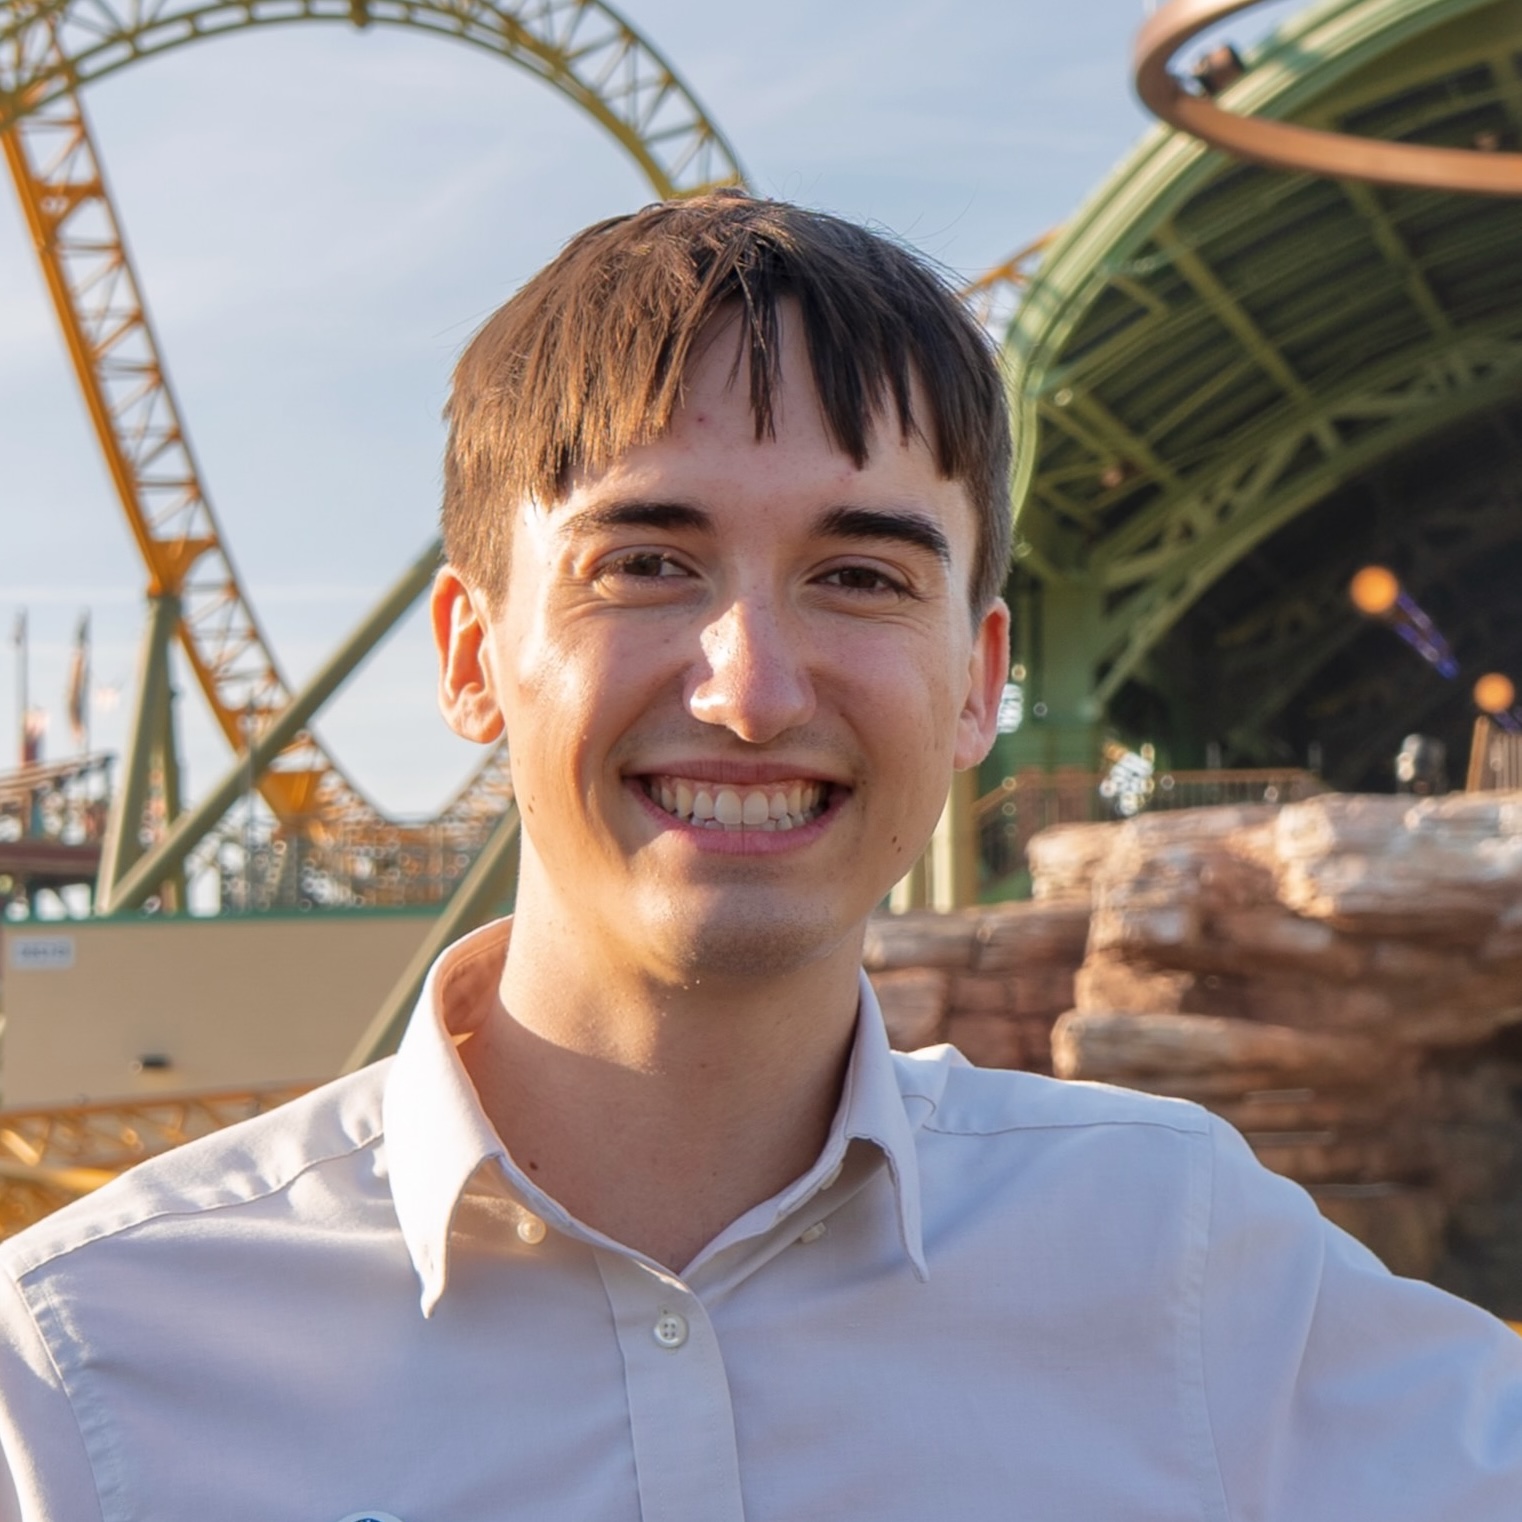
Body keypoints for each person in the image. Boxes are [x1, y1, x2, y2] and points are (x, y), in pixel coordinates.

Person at [1, 191, 1520, 1520]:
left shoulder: (1187, 1265)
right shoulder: (85, 1379)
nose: (752, 689)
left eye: (858, 575)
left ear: (979, 679)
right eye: (645, 564)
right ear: (471, 655)